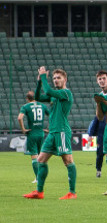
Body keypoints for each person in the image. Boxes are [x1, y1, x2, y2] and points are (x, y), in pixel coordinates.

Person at [23, 67, 77, 200]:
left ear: (65, 79)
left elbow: (48, 91)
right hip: (52, 132)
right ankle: (39, 192)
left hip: (62, 131)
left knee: (68, 161)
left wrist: (43, 77)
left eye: (58, 78)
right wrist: (39, 82)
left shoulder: (66, 93)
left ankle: (72, 193)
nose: (56, 80)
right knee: (41, 160)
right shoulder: (54, 94)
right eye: (54, 78)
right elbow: (37, 97)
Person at [18, 90, 49, 183]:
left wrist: (23, 129)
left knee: (34, 156)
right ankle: (42, 176)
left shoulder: (25, 107)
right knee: (41, 156)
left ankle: (38, 178)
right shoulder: (43, 106)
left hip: (32, 133)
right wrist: (48, 128)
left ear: (27, 99)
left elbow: (20, 117)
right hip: (41, 133)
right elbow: (51, 115)